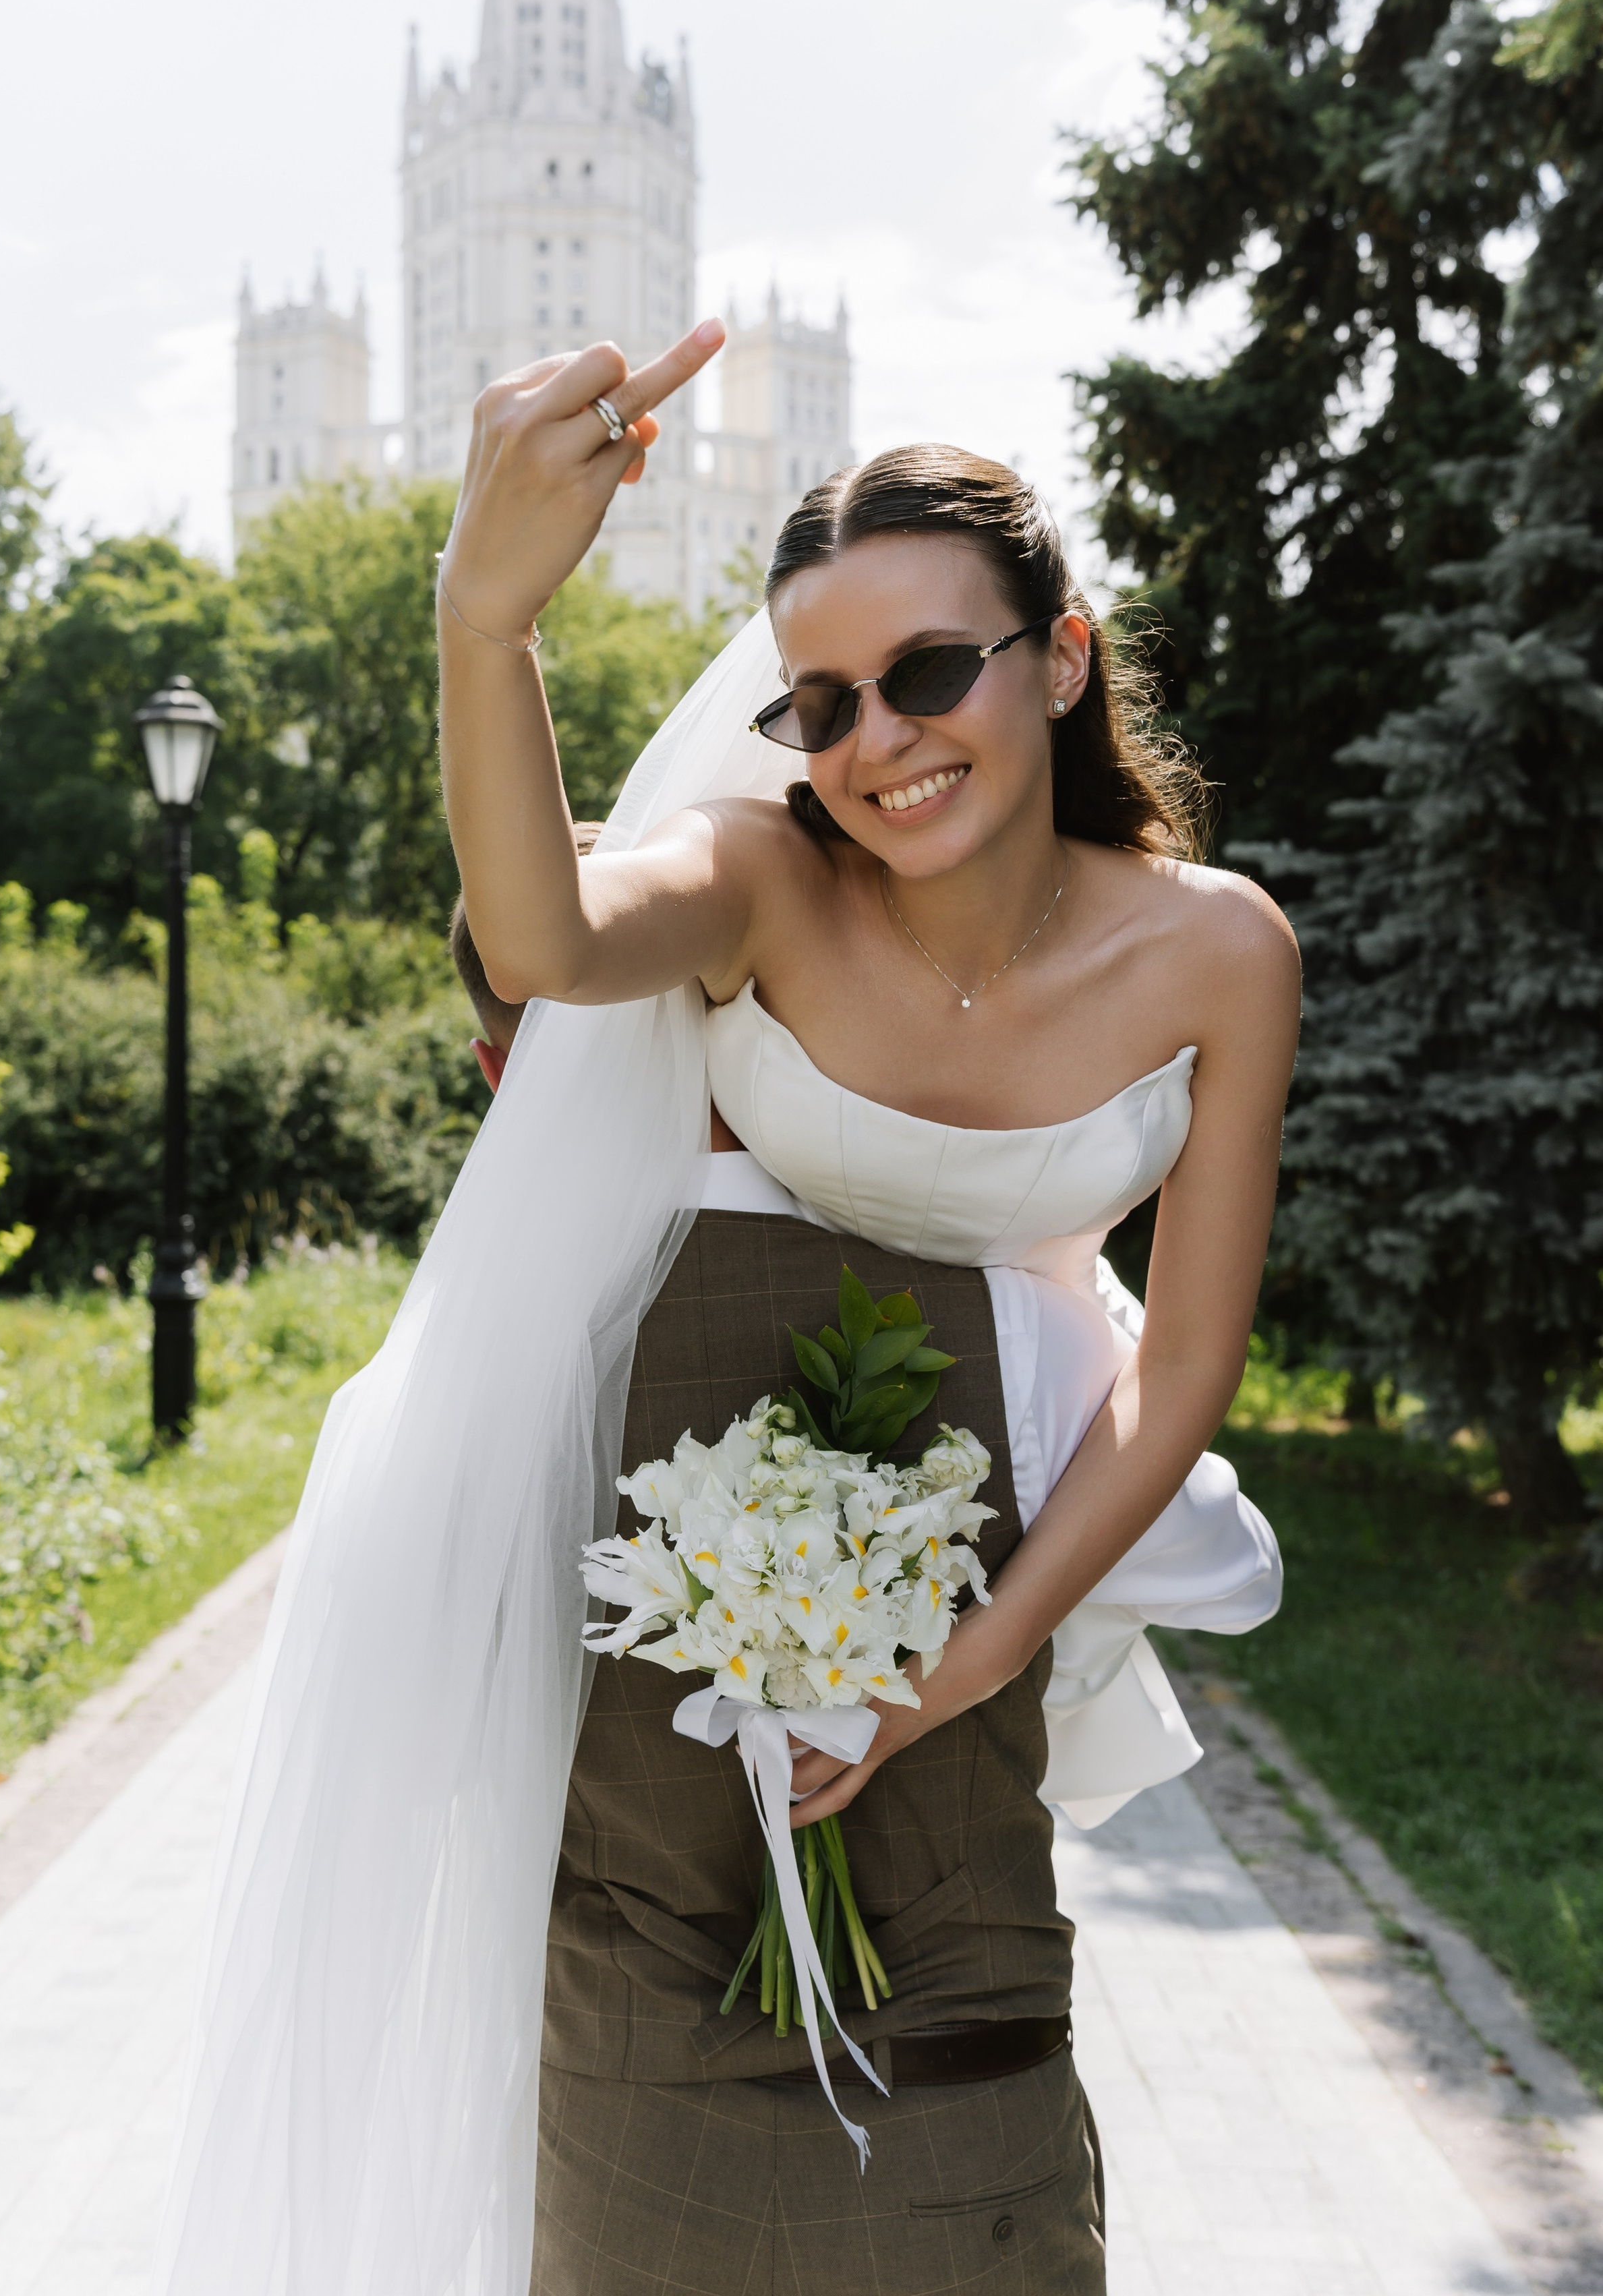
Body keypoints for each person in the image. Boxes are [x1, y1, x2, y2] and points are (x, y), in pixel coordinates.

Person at [153, 324, 1298, 2296]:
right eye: (822, 702)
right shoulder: (770, 877)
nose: (879, 739)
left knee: (976, 2082)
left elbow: (1186, 1364)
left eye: (931, 670)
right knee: (636, 2068)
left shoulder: (1219, 956)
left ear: (1065, 656)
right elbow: (543, 939)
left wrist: (966, 1657)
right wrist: (484, 616)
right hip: (680, 1506)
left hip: (1007, 1526)